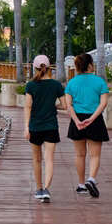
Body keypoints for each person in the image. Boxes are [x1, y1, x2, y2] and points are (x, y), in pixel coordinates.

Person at [65, 53, 110, 197]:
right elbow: (103, 103)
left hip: (77, 119)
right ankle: (91, 178)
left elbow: (68, 105)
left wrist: (77, 121)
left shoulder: (71, 83)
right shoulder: (100, 82)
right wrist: (91, 119)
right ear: (90, 65)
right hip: (94, 119)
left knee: (79, 154)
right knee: (94, 154)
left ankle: (81, 185)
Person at [24, 54, 67, 202]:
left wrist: (26, 127)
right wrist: (52, 105)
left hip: (35, 126)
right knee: (49, 159)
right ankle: (47, 189)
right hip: (51, 126)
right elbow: (65, 105)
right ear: (49, 67)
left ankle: (39, 189)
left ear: (34, 68)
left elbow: (28, 106)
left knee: (37, 159)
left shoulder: (30, 85)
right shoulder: (56, 85)